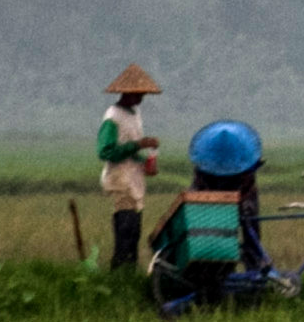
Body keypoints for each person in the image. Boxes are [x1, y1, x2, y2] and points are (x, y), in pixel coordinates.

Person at [160, 117, 271, 299]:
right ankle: (255, 275)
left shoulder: (203, 167)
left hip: (210, 212)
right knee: (251, 235)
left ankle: (248, 274)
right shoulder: (245, 167)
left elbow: (198, 191)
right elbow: (247, 189)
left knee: (212, 236)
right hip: (235, 205)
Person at [95, 68, 165, 275]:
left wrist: (144, 163)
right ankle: (119, 276)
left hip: (133, 179)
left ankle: (128, 276)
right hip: (120, 181)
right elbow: (106, 151)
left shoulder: (135, 115)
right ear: (127, 93)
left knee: (134, 233)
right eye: (138, 93)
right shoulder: (112, 117)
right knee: (125, 232)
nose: (142, 97)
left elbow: (129, 150)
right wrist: (138, 145)